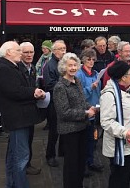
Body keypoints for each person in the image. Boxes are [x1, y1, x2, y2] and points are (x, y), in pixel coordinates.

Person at [0, 41, 45, 188]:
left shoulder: (9, 67)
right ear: (9, 52)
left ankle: (12, 184)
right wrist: (33, 92)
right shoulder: (4, 68)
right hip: (17, 118)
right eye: (18, 50)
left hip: (20, 117)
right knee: (20, 157)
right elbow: (15, 91)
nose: (21, 53)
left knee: (14, 155)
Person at [100, 61, 130, 188]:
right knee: (119, 180)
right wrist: (125, 132)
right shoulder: (110, 95)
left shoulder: (127, 91)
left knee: (125, 178)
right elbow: (106, 121)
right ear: (123, 77)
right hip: (120, 146)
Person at [54, 53, 96, 188]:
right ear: (63, 67)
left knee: (80, 162)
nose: (73, 68)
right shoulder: (60, 87)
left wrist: (91, 107)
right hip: (70, 130)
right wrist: (85, 114)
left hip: (82, 128)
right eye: (70, 65)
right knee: (71, 165)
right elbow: (64, 112)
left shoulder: (76, 81)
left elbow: (82, 101)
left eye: (75, 65)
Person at [75, 48, 104, 176]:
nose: (91, 62)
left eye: (93, 59)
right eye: (88, 59)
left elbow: (99, 92)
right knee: (84, 140)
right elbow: (78, 95)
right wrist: (90, 88)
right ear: (83, 60)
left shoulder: (96, 73)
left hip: (95, 110)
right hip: (84, 111)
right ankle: (83, 165)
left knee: (92, 139)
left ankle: (90, 161)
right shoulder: (79, 75)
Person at [18, 42, 41, 175]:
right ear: (20, 53)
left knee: (29, 138)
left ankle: (28, 164)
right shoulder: (17, 68)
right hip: (21, 111)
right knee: (21, 142)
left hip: (31, 108)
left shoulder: (32, 67)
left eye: (31, 52)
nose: (29, 55)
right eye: (26, 52)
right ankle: (23, 167)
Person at [43, 40, 67, 167]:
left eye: (64, 48)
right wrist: (64, 85)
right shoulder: (50, 65)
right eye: (60, 49)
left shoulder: (64, 63)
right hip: (54, 102)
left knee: (64, 128)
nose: (63, 51)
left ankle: (62, 151)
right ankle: (50, 155)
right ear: (54, 51)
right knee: (54, 131)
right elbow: (49, 84)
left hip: (65, 102)